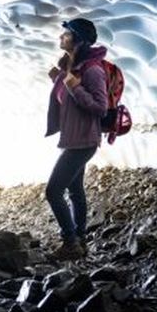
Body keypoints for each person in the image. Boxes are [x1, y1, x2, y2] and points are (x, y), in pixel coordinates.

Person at [44, 17, 108, 260]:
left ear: (78, 40)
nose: (61, 37)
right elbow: (69, 98)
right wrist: (58, 79)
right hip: (73, 139)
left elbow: (100, 107)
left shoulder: (92, 70)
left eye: (67, 34)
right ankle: (80, 241)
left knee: (53, 191)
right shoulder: (70, 67)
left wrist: (74, 87)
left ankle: (70, 242)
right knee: (75, 191)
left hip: (83, 142)